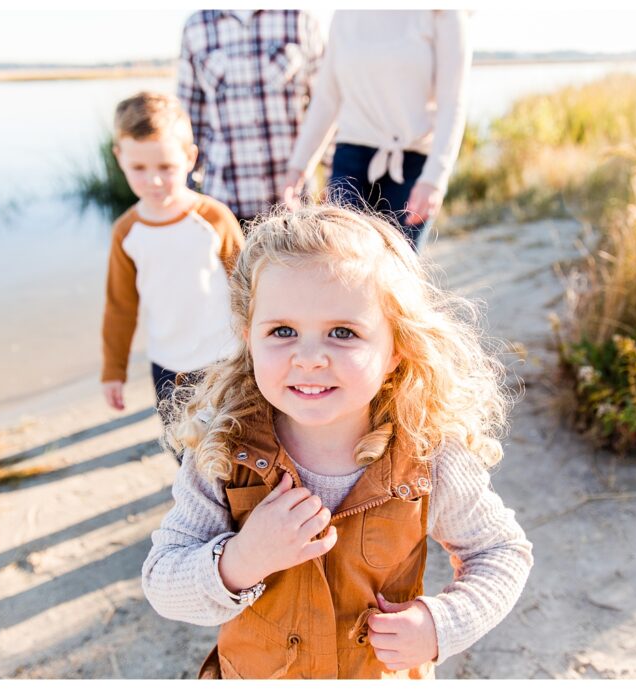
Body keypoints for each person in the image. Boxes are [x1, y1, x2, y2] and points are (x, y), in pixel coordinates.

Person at [142, 205, 533, 678]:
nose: (309, 358)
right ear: (249, 339)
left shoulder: (428, 453)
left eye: (343, 332)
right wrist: (242, 560)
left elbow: (500, 552)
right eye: (282, 331)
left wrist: (440, 624)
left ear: (396, 349)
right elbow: (163, 581)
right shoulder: (223, 450)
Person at [101, 92, 244, 461]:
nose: (154, 181)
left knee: (237, 447)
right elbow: (120, 307)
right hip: (168, 366)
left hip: (226, 358)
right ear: (120, 159)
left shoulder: (213, 218)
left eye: (165, 167)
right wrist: (113, 370)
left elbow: (249, 286)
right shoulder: (127, 232)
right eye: (139, 169)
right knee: (186, 454)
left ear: (189, 158)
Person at [280, 10, 472, 250]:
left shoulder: (444, 14)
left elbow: (452, 103)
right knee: (340, 265)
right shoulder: (345, 15)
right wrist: (298, 168)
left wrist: (435, 179)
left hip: (411, 168)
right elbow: (326, 100)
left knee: (397, 275)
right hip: (350, 162)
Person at [177, 10, 326, 228]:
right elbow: (190, 121)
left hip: (293, 202)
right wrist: (184, 191)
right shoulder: (196, 27)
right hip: (225, 203)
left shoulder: (300, 19)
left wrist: (333, 180)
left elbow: (324, 110)